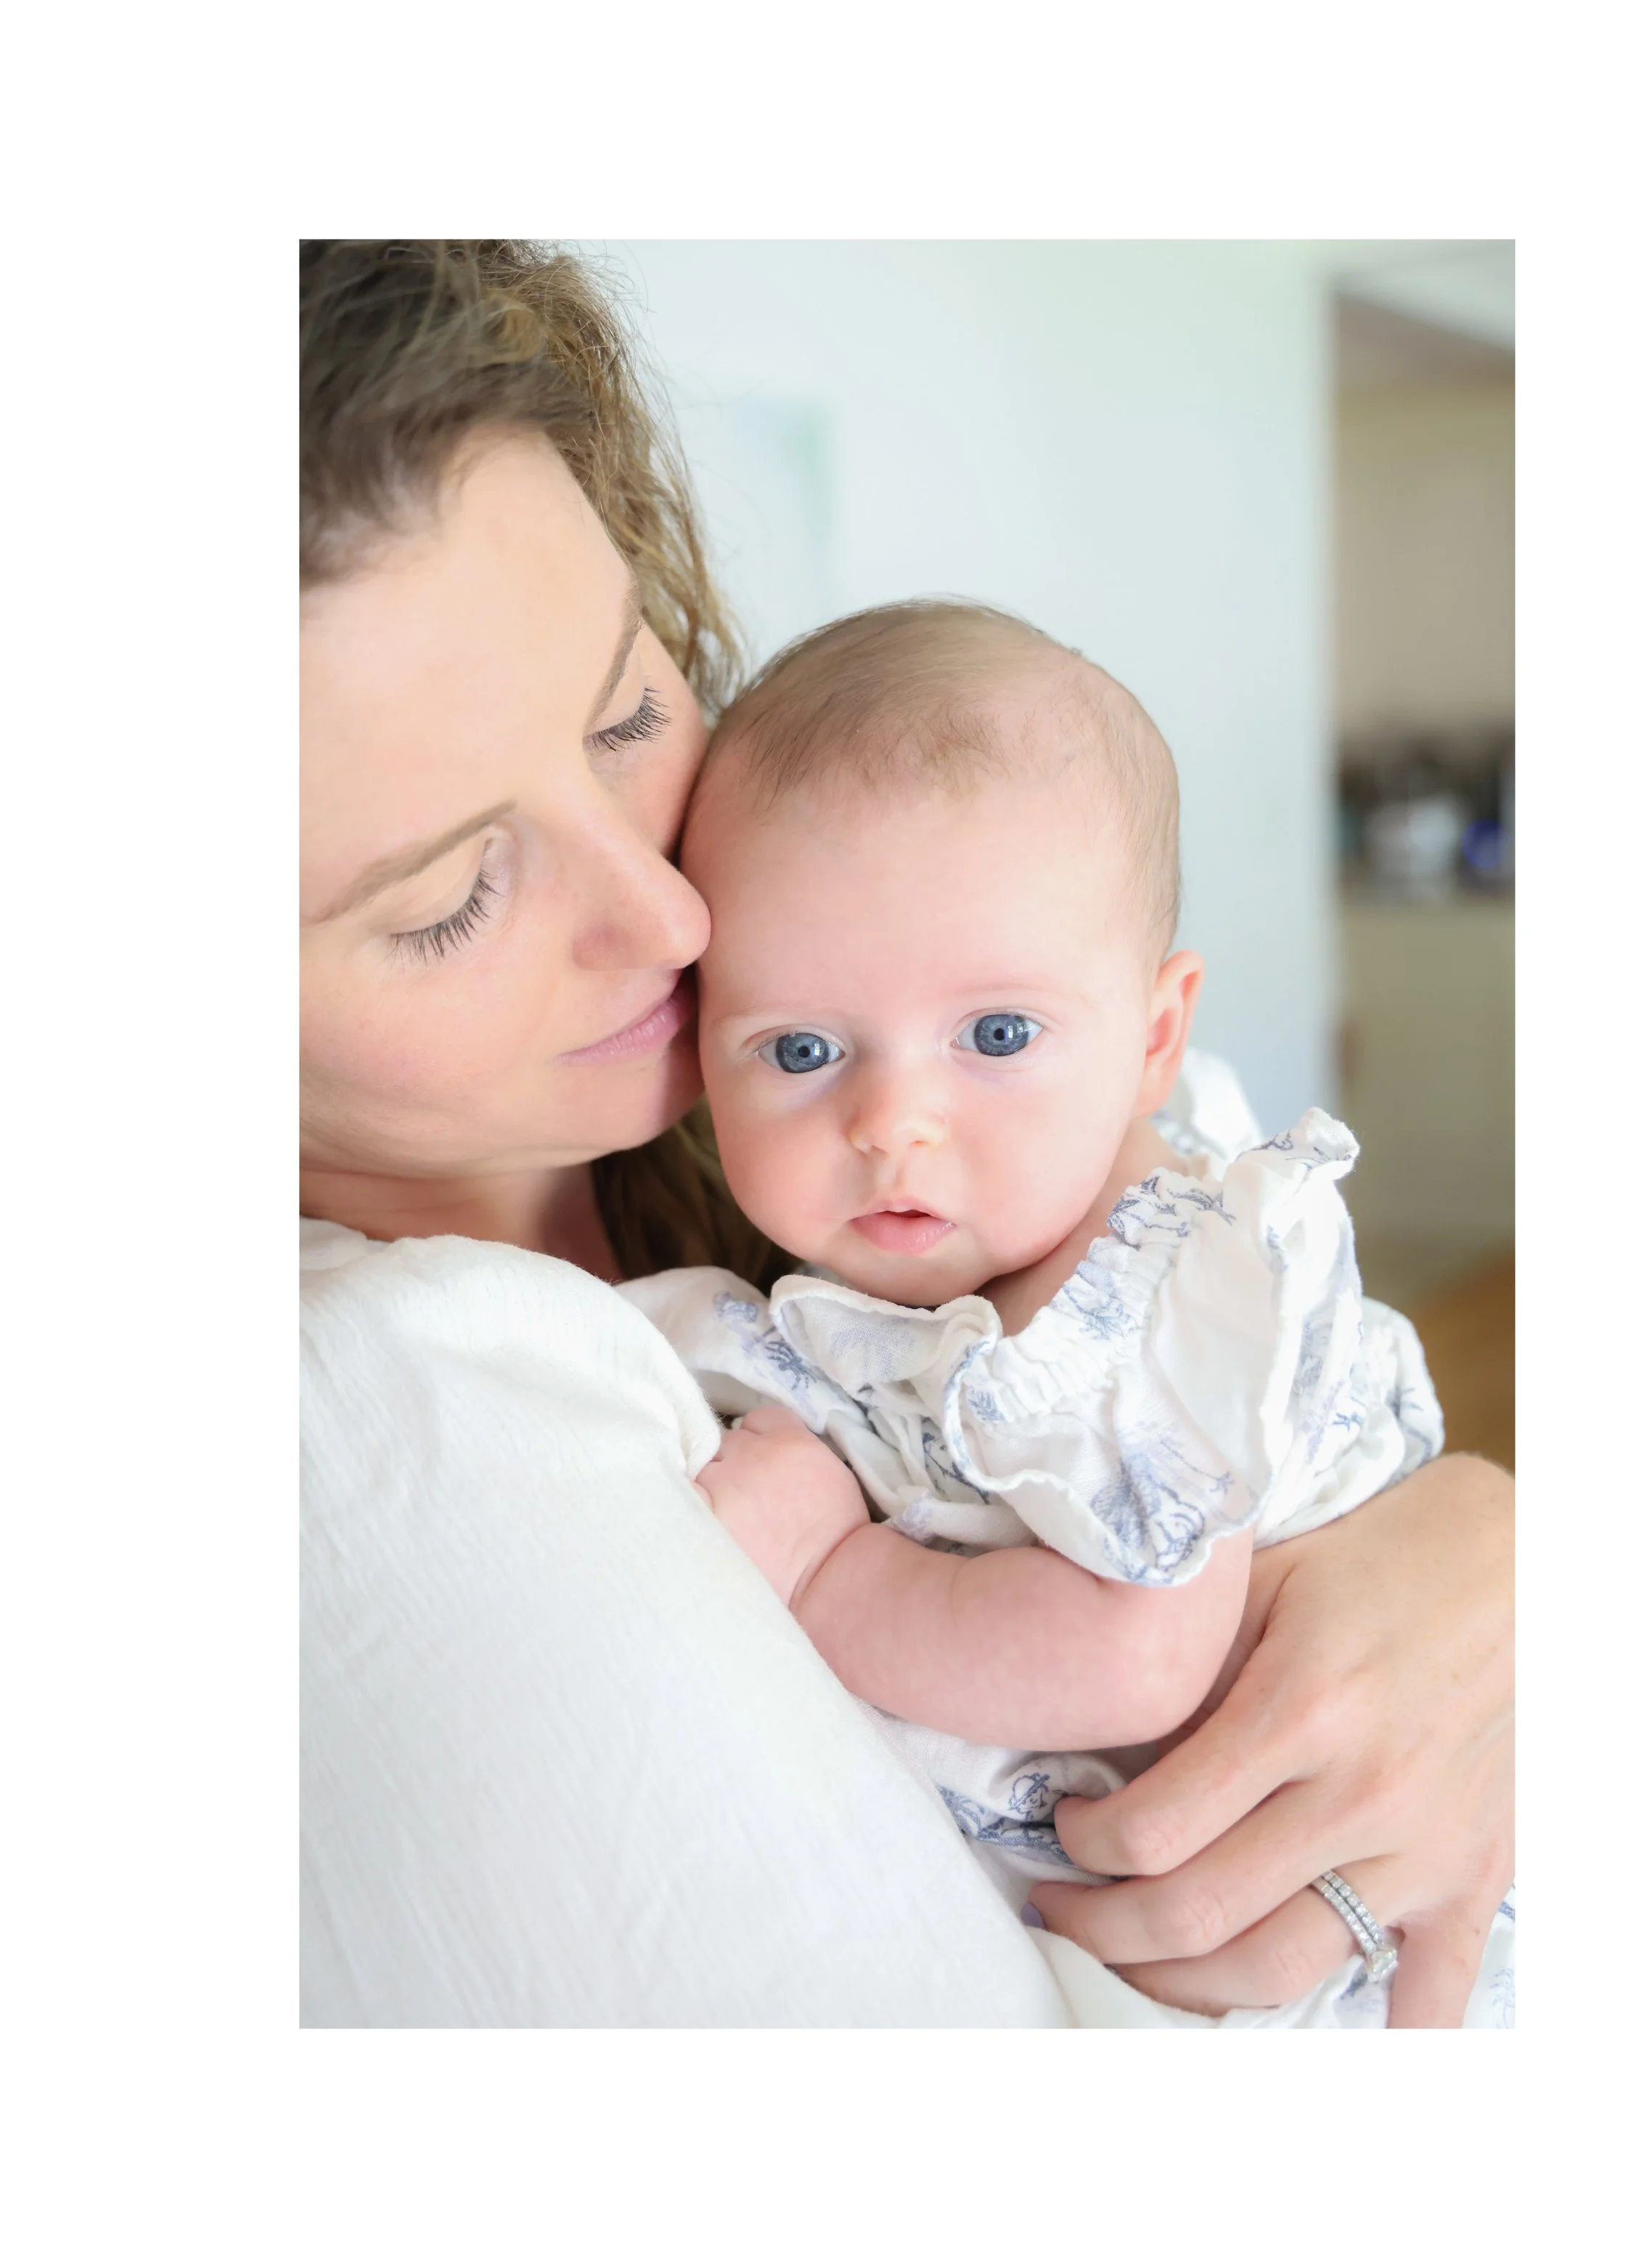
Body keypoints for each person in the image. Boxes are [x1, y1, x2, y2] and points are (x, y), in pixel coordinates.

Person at [300, 239, 1514, 2027]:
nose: (671, 915)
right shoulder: (377, 1419)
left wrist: (1471, 1558)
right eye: (449, 896)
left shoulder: (809, 1186)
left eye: (626, 711)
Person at [632, 601, 1458, 1992]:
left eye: (998, 1034)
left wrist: (835, 1575)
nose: (892, 1121)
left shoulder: (1145, 1294)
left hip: (1344, 1931)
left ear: (1154, 1038)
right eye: (801, 1048)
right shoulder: (959, 1262)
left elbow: (1137, 1654)